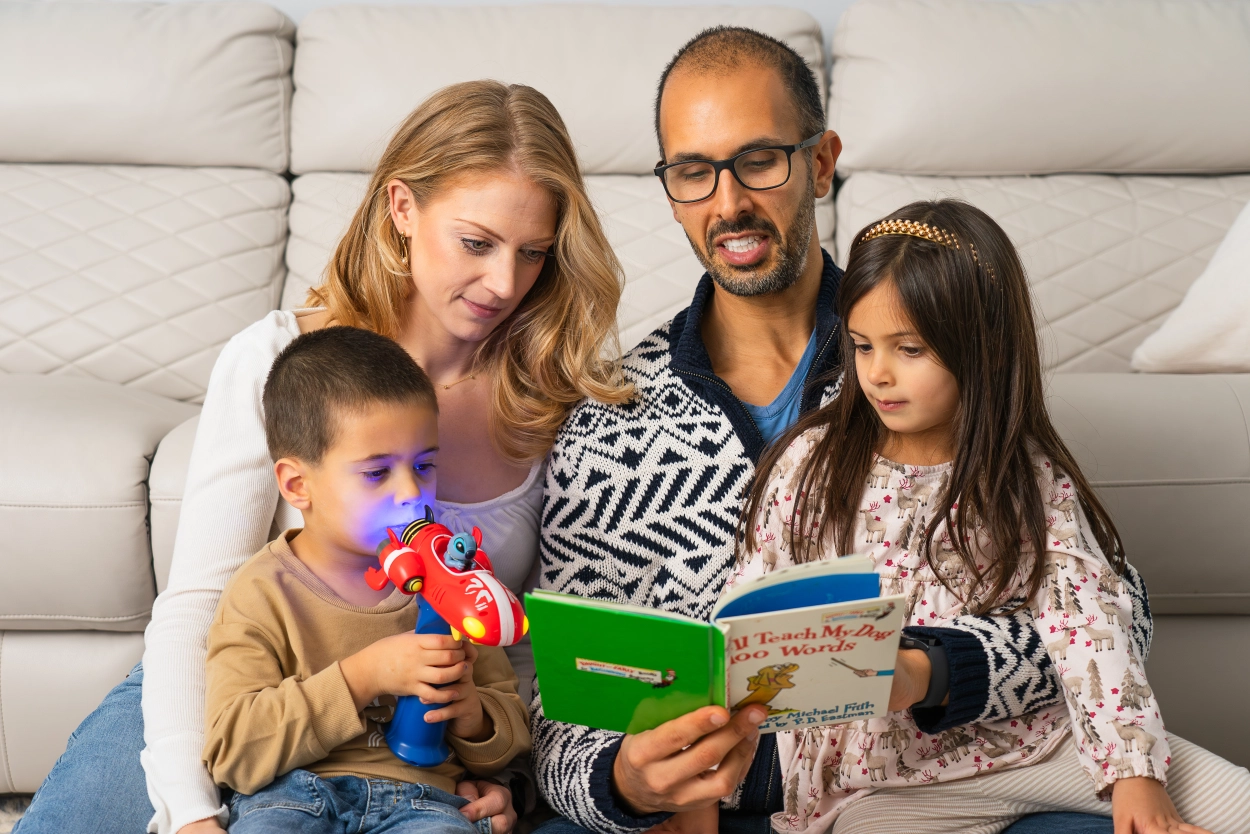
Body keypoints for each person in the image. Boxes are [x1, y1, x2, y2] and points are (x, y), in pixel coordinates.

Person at [530, 27, 1152, 834]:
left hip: (943, 780)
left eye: (758, 160)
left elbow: (1116, 616)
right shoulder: (607, 418)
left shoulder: (925, 363)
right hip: (694, 812)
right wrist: (622, 782)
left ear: (821, 163)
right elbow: (557, 706)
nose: (728, 204)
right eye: (693, 172)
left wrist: (940, 668)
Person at [15, 80, 630, 834]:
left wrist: (506, 775)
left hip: (413, 756)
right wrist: (188, 807)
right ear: (402, 209)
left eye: (532, 252)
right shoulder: (279, 357)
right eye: (476, 242)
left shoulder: (552, 400)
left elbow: (521, 641)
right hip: (240, 700)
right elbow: (198, 610)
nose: (505, 283)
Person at [733, 199, 1250, 834]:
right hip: (876, 785)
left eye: (911, 349)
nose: (878, 374)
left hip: (1032, 747)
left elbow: (1090, 619)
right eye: (864, 346)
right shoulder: (811, 463)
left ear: (990, 349)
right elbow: (749, 622)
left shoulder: (1021, 476)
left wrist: (1133, 775)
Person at [205, 326, 530, 833]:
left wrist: (473, 714)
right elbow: (233, 753)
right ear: (298, 485)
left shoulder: (451, 578)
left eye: (424, 465)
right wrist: (362, 677)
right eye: (377, 473)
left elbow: (509, 739)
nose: (410, 492)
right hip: (292, 797)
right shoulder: (263, 591)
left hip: (424, 802)